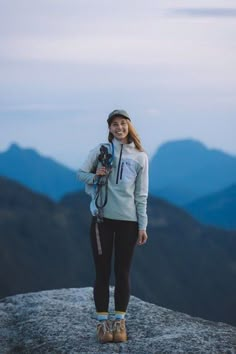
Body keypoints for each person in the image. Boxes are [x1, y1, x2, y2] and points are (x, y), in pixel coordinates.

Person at [77, 109, 148, 344]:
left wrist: (142, 225)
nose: (119, 128)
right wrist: (97, 176)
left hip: (129, 222)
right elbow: (80, 174)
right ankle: (102, 324)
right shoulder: (101, 150)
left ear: (129, 125)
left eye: (123, 123)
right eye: (114, 124)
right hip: (102, 220)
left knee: (123, 272)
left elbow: (141, 195)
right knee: (102, 272)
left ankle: (119, 321)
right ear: (109, 128)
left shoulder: (140, 157)